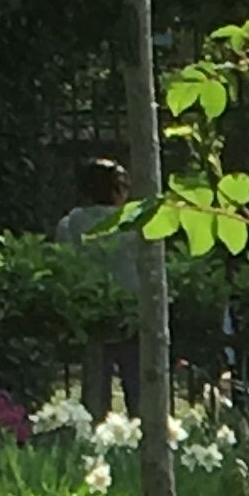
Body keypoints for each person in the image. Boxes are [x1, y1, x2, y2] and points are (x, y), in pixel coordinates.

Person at [56, 151, 144, 418]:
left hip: (90, 313)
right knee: (139, 389)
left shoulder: (70, 224)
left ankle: (95, 439)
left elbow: (65, 268)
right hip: (133, 314)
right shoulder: (135, 223)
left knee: (95, 391)